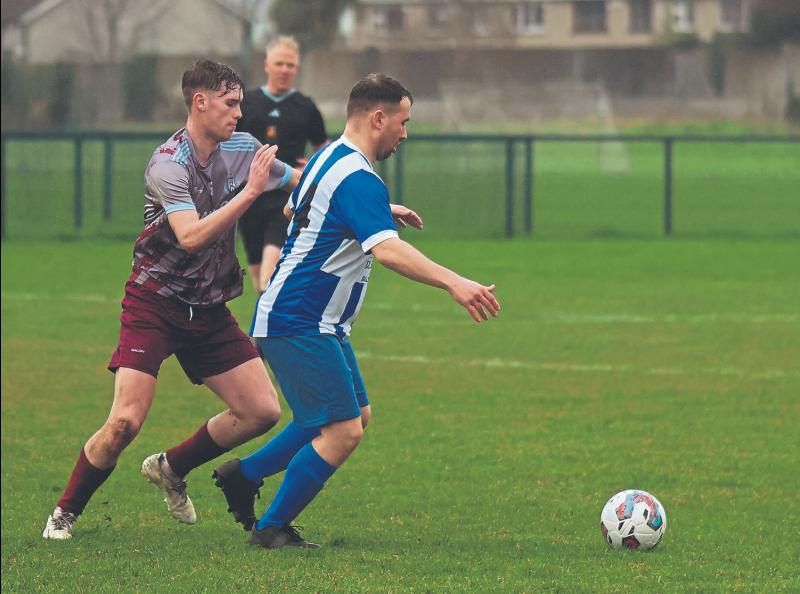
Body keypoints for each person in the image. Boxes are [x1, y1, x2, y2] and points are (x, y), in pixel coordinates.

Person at [211, 73, 501, 549]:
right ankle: (270, 529)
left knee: (353, 415)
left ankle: (246, 475)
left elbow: (293, 211)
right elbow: (387, 252)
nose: (405, 133)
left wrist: (379, 208)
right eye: (403, 122)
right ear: (379, 118)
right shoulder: (358, 177)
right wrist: (455, 282)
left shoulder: (330, 157)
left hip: (306, 316)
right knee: (342, 431)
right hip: (298, 317)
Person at [42, 59, 301, 540]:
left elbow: (299, 181)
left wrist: (371, 207)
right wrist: (248, 194)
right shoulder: (168, 163)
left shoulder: (242, 149)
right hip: (154, 303)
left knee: (263, 410)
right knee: (123, 422)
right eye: (230, 103)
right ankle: (66, 510)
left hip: (208, 307)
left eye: (241, 103)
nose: (239, 114)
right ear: (199, 102)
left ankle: (170, 466)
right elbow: (191, 237)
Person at [237, 36, 329, 292]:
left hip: (287, 198)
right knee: (259, 284)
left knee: (268, 279)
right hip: (250, 197)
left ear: (297, 68)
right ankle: (264, 332)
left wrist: (314, 165)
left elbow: (323, 147)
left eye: (290, 65)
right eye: (280, 63)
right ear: (267, 65)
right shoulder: (247, 103)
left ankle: (279, 329)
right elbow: (227, 145)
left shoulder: (305, 106)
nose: (285, 70)